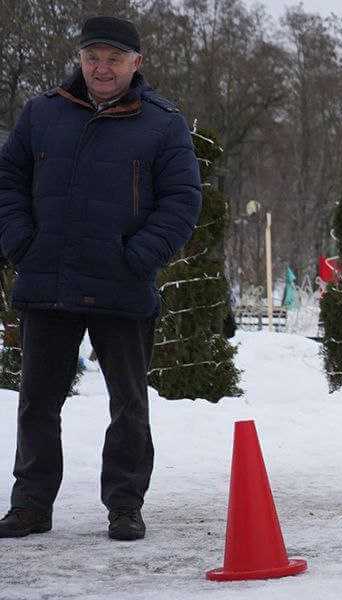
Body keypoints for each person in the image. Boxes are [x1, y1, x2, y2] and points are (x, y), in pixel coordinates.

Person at [0, 16, 202, 541]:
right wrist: (22, 242)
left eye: (114, 58)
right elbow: (8, 181)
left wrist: (139, 256)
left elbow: (183, 201)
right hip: (49, 281)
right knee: (38, 400)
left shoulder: (163, 123)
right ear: (80, 59)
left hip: (122, 284)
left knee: (128, 404)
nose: (102, 68)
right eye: (93, 57)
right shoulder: (42, 113)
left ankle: (125, 505)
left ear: (136, 63)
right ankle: (30, 505)